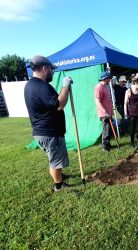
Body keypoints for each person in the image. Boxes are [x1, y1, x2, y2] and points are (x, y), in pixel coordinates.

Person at [24, 55, 72, 192]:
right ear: (45, 68)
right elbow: (59, 104)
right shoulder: (41, 86)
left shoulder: (30, 85)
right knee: (56, 161)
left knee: (54, 159)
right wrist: (66, 86)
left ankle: (59, 176)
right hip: (49, 133)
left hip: (42, 132)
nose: (52, 72)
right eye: (51, 69)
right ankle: (59, 185)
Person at [124, 75, 138, 147]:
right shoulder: (128, 91)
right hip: (132, 113)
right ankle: (132, 143)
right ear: (136, 83)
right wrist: (125, 113)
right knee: (132, 129)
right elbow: (125, 103)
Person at [95, 71, 114, 152]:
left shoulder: (106, 86)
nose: (110, 80)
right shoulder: (98, 87)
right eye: (109, 78)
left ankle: (108, 144)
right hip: (104, 113)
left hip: (109, 112)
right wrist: (105, 112)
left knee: (109, 129)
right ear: (105, 78)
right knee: (106, 129)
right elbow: (97, 101)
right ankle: (104, 147)